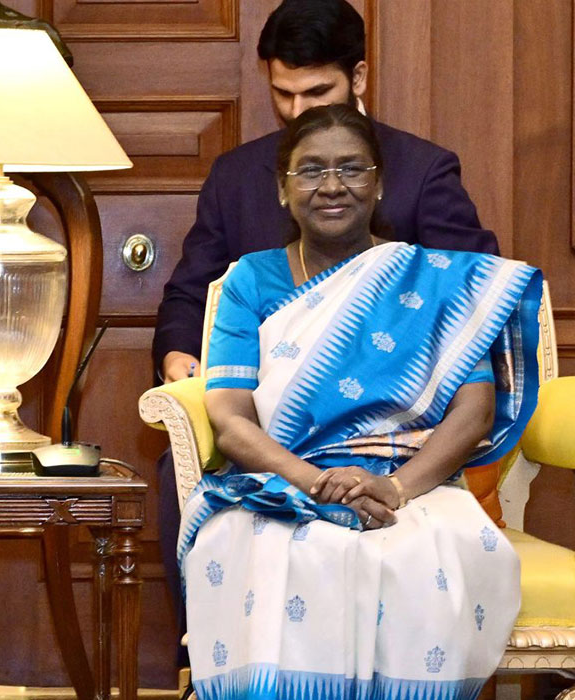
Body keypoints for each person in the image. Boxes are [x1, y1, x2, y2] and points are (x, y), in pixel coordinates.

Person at [152, 0, 500, 636]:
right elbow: (189, 292)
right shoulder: (236, 174)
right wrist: (182, 355)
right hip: (268, 417)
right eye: (282, 93)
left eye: (317, 90)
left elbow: (471, 299)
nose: (297, 111)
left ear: (359, 77)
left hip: (399, 427)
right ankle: (207, 661)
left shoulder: (420, 169)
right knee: (178, 468)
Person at [178, 103, 539, 700]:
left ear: (379, 184)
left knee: (429, 554)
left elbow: (473, 411)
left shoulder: (430, 281)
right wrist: (312, 479)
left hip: (412, 482)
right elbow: (230, 418)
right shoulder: (251, 279)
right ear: (282, 189)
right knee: (272, 549)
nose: (332, 186)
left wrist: (397, 488)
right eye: (311, 171)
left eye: (352, 168)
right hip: (286, 479)